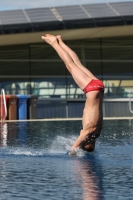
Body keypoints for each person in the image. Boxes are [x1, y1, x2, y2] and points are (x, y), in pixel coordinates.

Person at [41, 34, 104, 155]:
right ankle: (54, 42)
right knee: (69, 64)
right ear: (85, 141)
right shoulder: (89, 131)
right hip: (91, 89)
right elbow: (74, 148)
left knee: (77, 64)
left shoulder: (97, 132)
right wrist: (73, 152)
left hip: (99, 88)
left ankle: (61, 42)